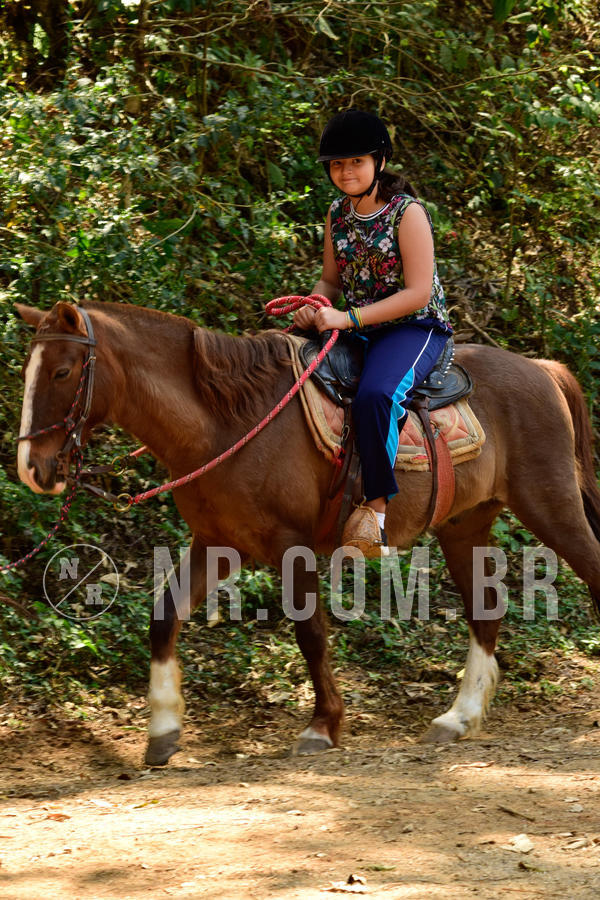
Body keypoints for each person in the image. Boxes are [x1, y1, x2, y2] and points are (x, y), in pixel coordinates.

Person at [293, 108, 452, 557]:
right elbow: (330, 281)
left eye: (356, 162)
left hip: (413, 327)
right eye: (338, 164)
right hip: (361, 327)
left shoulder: (408, 213)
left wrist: (347, 319)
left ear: (379, 161)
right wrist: (314, 305)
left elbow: (419, 293)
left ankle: (374, 512)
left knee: (376, 395)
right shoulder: (336, 215)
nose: (346, 172)